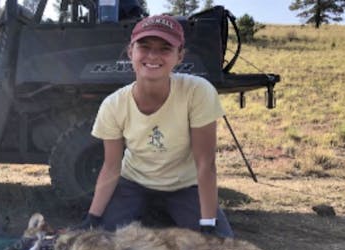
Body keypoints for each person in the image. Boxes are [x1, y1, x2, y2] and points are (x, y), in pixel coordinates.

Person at [77, 14, 233, 237]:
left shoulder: (198, 92)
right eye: (145, 46)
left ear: (180, 56)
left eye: (165, 48)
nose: (153, 56)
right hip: (134, 183)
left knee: (220, 248)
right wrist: (92, 219)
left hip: (184, 186)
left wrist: (208, 225)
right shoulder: (113, 105)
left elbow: (205, 164)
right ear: (131, 52)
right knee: (99, 239)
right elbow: (111, 167)